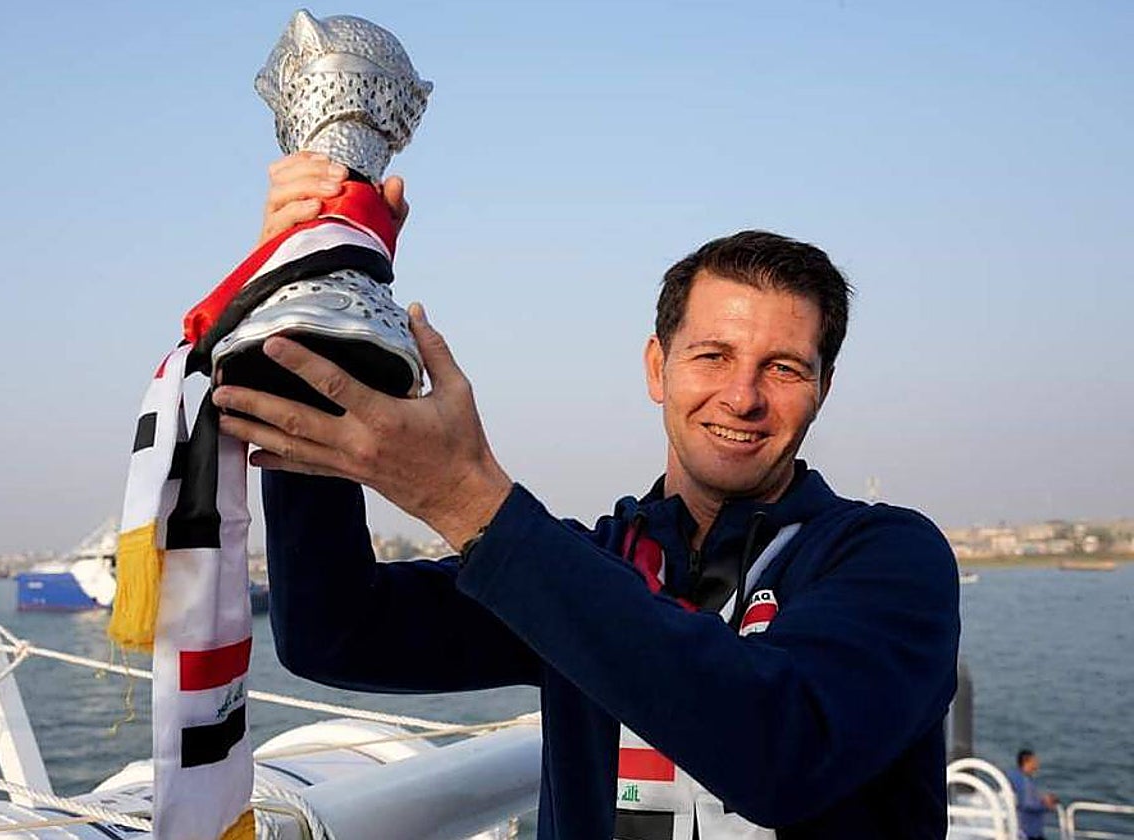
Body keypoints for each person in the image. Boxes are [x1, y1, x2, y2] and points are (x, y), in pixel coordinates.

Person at [213, 154, 961, 839]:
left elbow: (782, 752)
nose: (743, 396)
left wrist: (467, 499)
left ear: (823, 389)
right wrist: (316, 299)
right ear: (657, 368)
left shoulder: (889, 560)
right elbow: (337, 630)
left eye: (784, 369)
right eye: (713, 355)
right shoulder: (594, 566)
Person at [1006, 749, 1059, 840]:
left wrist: (1042, 799)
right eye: (1034, 761)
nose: (1037, 764)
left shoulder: (1014, 776)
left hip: (1019, 828)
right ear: (1027, 762)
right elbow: (1028, 804)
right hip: (1028, 831)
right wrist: (1047, 806)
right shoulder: (1024, 781)